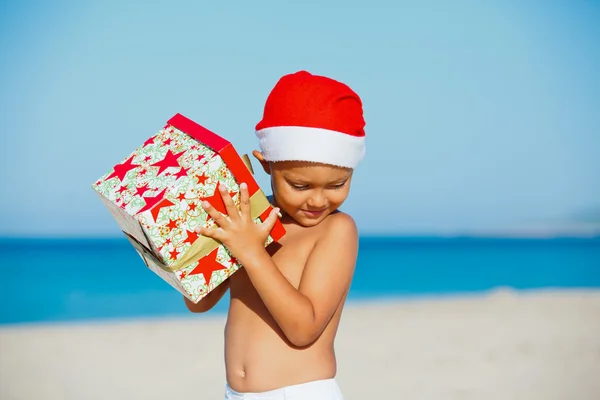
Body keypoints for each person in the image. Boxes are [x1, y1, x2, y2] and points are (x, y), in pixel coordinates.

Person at [186, 70, 367, 399]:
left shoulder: (337, 230)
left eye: (337, 185)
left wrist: (251, 252)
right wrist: (181, 244)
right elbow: (199, 302)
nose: (317, 200)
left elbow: (303, 328)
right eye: (300, 186)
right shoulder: (249, 221)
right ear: (266, 164)